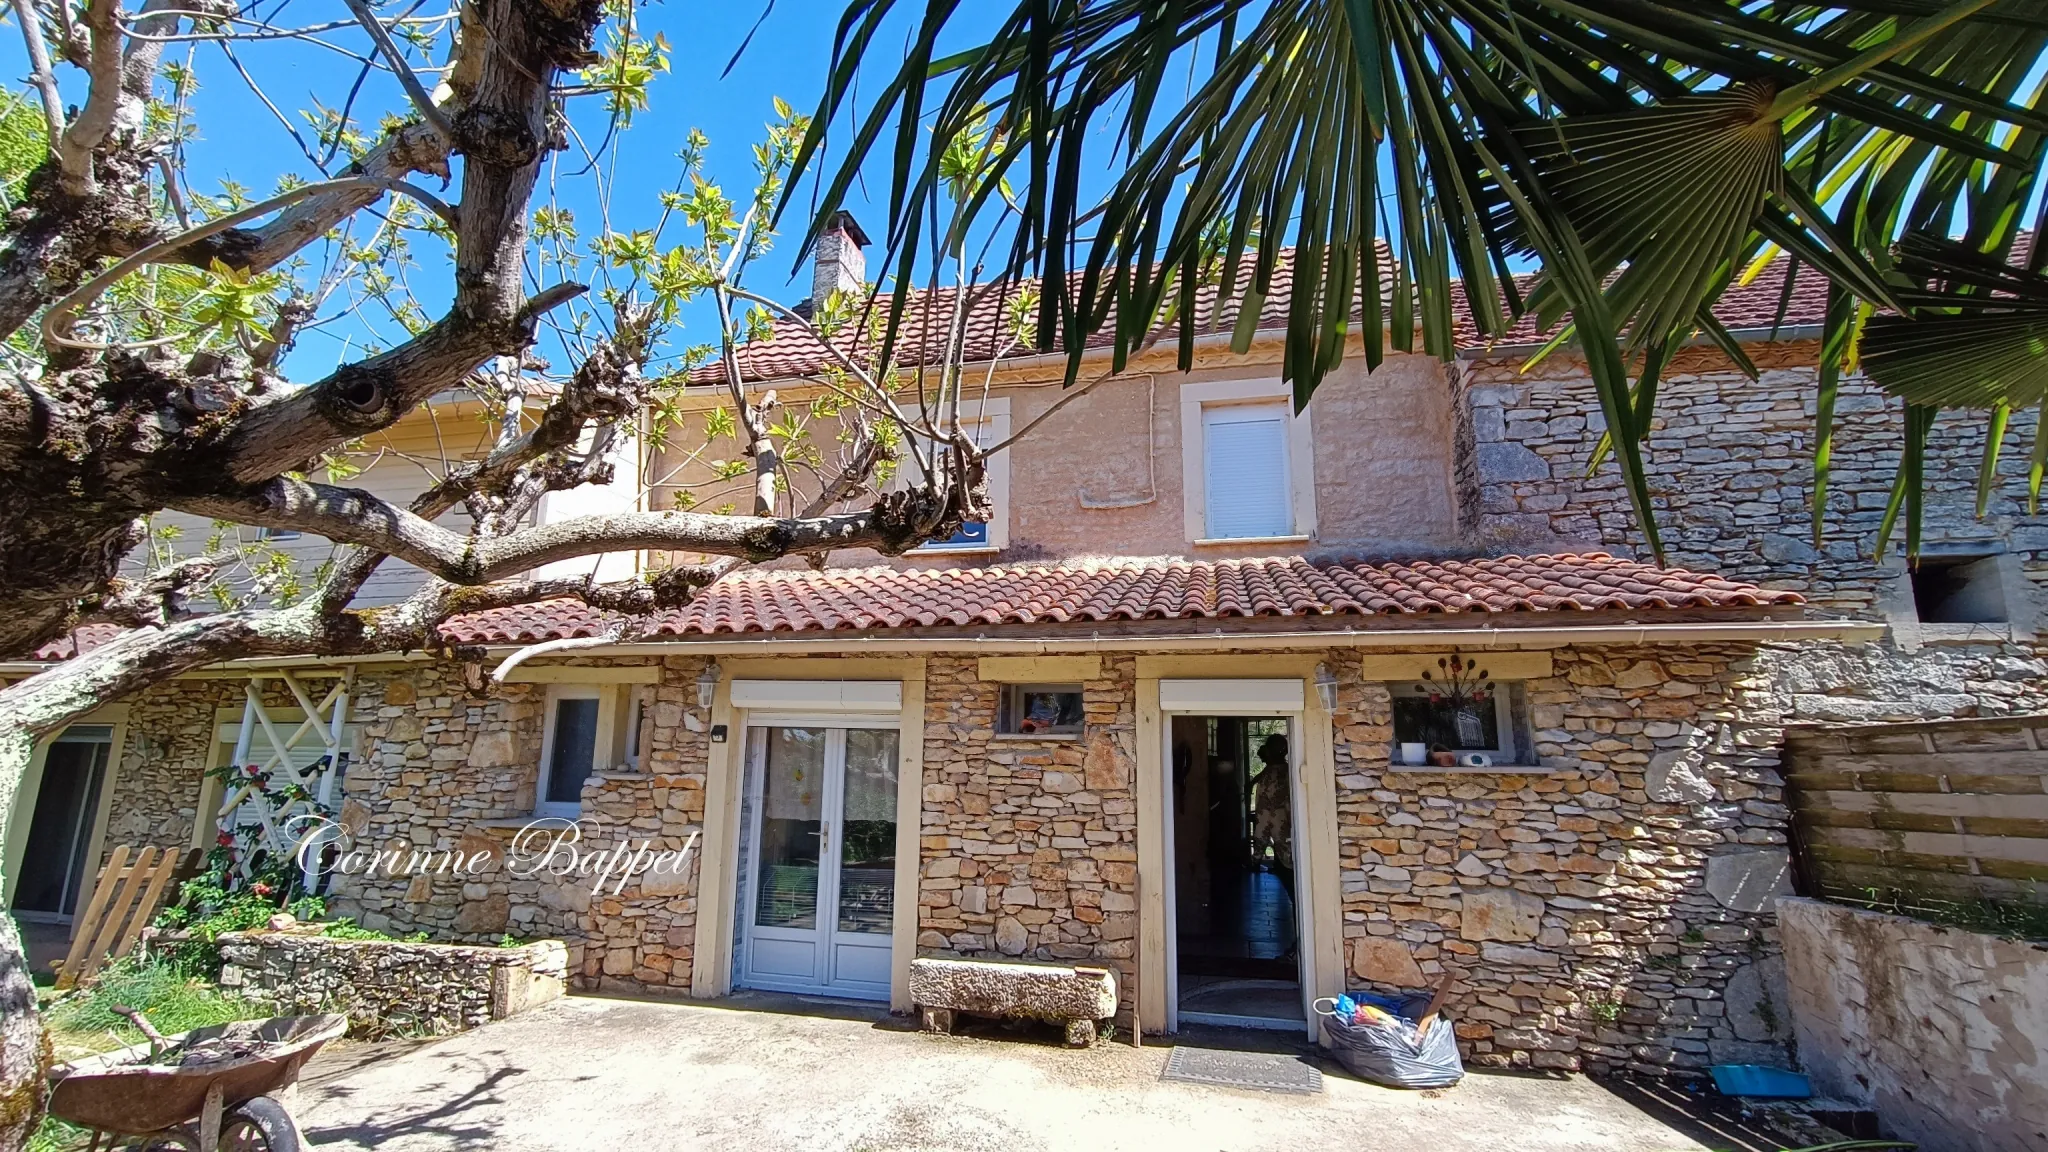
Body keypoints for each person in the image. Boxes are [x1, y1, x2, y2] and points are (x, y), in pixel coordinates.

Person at [1251, 733, 1293, 899]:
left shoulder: (1275, 775)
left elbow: (1263, 820)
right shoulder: (1284, 771)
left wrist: (1256, 858)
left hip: (1281, 829)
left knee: (1289, 876)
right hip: (1287, 830)